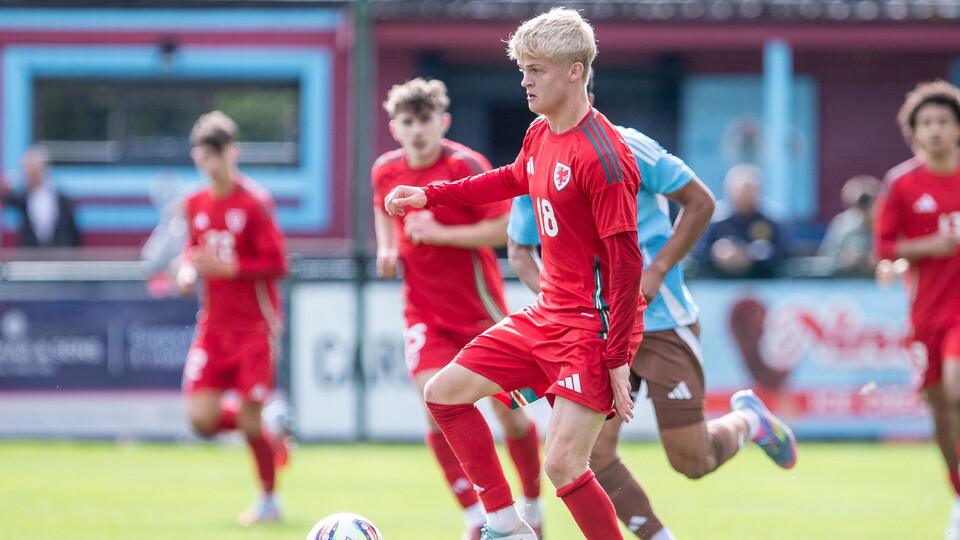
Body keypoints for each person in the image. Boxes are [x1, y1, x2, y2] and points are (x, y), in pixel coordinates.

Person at [386, 8, 644, 539]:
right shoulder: (540, 132)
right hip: (547, 313)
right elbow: (509, 178)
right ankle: (506, 526)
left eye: (536, 70)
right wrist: (429, 195)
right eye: (522, 69)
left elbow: (626, 266)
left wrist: (617, 356)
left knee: (564, 466)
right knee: (443, 394)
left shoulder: (604, 158)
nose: (524, 81)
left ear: (574, 71)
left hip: (592, 328)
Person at [507, 75, 798, 540]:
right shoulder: (534, 157)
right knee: (586, 455)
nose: (532, 87)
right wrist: (560, 301)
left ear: (587, 95)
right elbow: (520, 249)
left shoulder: (627, 146)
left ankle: (749, 422)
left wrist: (658, 269)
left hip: (660, 321)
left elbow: (700, 201)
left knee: (692, 461)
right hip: (594, 331)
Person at [371, 77, 544, 540]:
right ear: (395, 128)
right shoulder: (385, 170)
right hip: (424, 314)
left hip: (479, 311)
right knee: (435, 406)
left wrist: (441, 234)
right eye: (408, 121)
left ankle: (533, 506)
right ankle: (477, 517)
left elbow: (504, 229)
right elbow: (383, 209)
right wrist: (387, 248)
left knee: (510, 414)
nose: (417, 130)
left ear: (442, 122)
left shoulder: (464, 165)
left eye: (425, 120)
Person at [176, 111, 291, 526]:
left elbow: (278, 263)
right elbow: (193, 251)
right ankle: (268, 428)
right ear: (197, 157)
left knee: (247, 420)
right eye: (205, 156)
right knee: (200, 419)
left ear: (233, 153)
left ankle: (268, 501)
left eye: (219, 154)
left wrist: (230, 268)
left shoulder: (254, 202)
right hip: (213, 327)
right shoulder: (194, 203)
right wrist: (187, 272)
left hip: (255, 327)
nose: (212, 164)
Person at [873, 79, 960, 540]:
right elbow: (883, 248)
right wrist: (927, 247)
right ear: (915, 132)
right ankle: (958, 494)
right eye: (927, 122)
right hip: (925, 312)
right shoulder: (902, 184)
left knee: (957, 388)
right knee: (940, 410)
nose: (936, 129)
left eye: (944, 121)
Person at [694, 164, 789, 278]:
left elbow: (784, 252)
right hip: (719, 283)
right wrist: (717, 253)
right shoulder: (716, 220)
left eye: (751, 190)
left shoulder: (771, 221)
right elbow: (698, 252)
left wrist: (752, 255)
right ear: (729, 191)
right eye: (741, 190)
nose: (745, 196)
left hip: (762, 282)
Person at [0, 145, 80, 247]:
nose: (28, 175)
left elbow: (73, 233)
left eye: (32, 170)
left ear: (43, 168)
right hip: (31, 254)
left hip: (60, 254)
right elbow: (8, 198)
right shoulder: (23, 198)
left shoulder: (63, 200)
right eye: (26, 170)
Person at [817, 174, 883, 277]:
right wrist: (842, 260)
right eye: (860, 206)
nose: (864, 211)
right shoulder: (843, 225)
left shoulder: (888, 224)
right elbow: (826, 258)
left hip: (881, 281)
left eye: (868, 205)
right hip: (847, 280)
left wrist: (881, 260)